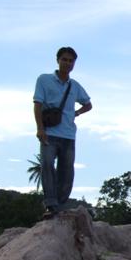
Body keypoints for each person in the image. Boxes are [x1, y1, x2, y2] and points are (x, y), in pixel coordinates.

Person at [33, 47, 92, 219]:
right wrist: (40, 128)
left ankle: (58, 205)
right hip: (49, 133)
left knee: (67, 172)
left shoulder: (75, 86)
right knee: (47, 165)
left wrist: (76, 113)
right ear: (57, 60)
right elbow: (37, 105)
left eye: (71, 61)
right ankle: (51, 204)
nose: (67, 63)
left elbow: (88, 104)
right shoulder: (44, 80)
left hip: (68, 134)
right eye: (64, 59)